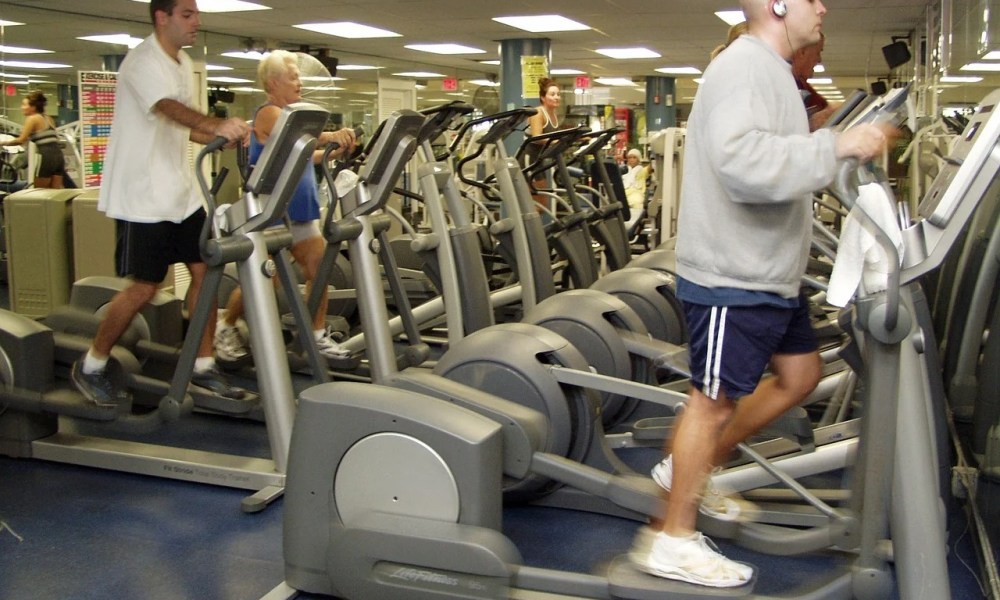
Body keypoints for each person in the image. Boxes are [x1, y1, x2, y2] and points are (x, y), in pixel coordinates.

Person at [631, 0, 895, 588]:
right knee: (713, 400)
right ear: (777, 6)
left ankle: (693, 473)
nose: (822, 6)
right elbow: (743, 165)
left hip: (771, 271)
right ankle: (671, 537)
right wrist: (838, 147)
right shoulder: (741, 68)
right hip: (734, 275)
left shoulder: (772, 70)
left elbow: (774, 154)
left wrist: (829, 142)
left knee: (799, 377)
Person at [70, 0, 252, 407]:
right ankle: (92, 363)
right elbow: (167, 108)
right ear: (162, 17)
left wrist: (221, 136)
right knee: (144, 289)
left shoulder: (183, 63)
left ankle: (204, 368)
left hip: (180, 192)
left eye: (196, 15)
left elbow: (178, 127)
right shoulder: (141, 62)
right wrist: (214, 124)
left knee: (206, 273)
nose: (196, 22)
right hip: (143, 196)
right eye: (187, 15)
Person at [214, 49, 356, 363]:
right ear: (273, 83)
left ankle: (317, 335)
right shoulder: (270, 114)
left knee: (318, 273)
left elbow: (304, 153)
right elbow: (298, 136)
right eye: (293, 77)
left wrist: (330, 152)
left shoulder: (295, 122)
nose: (299, 82)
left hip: (302, 209)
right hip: (272, 213)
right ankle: (225, 325)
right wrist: (331, 134)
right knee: (267, 278)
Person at [0, 91, 65, 189]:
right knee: (55, 194)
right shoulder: (49, 118)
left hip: (45, 156)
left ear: (33, 107)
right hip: (58, 156)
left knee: (39, 193)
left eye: (24, 105)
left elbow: (21, 140)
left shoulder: (32, 118)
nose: (22, 107)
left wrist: (2, 143)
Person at [524, 77, 562, 211]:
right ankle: (527, 231)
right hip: (529, 159)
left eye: (558, 94)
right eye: (552, 94)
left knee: (541, 205)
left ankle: (533, 231)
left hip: (540, 160)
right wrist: (558, 140)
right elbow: (536, 138)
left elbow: (555, 137)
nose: (556, 97)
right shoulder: (538, 113)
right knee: (538, 205)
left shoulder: (553, 114)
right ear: (543, 97)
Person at [793, 33, 839, 131]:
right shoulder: (781, 84)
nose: (819, 59)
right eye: (818, 52)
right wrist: (811, 123)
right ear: (802, 52)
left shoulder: (803, 86)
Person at [621, 148, 649, 215]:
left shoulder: (642, 170)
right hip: (623, 193)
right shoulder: (624, 170)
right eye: (630, 157)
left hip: (636, 193)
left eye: (634, 157)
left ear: (638, 159)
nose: (631, 159)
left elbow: (651, 168)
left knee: (636, 202)